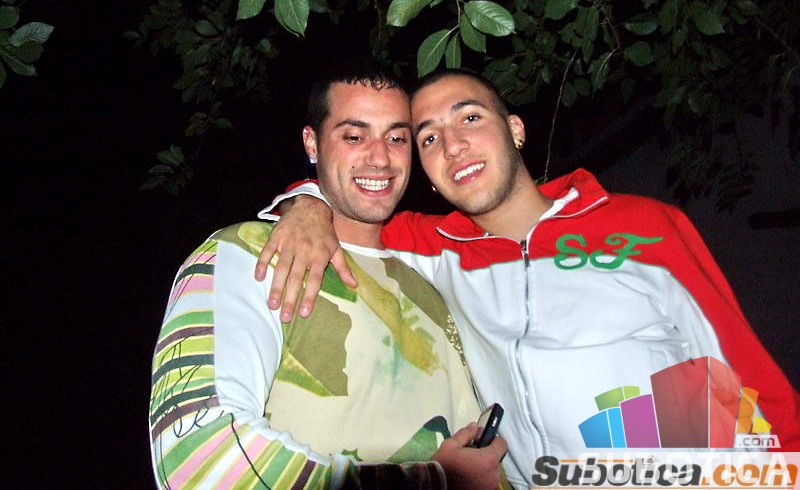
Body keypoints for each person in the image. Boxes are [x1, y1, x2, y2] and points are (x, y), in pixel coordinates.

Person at [255, 69, 800, 489]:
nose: (453, 145)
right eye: (428, 139)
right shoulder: (433, 249)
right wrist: (307, 203)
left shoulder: (643, 224)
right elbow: (355, 202)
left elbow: (749, 376)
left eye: (470, 119)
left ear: (515, 130)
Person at [148, 66, 508, 489]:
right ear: (312, 143)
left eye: (396, 138)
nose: (380, 158)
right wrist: (440, 480)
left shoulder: (433, 279)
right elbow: (198, 461)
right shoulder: (246, 253)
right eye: (354, 137)